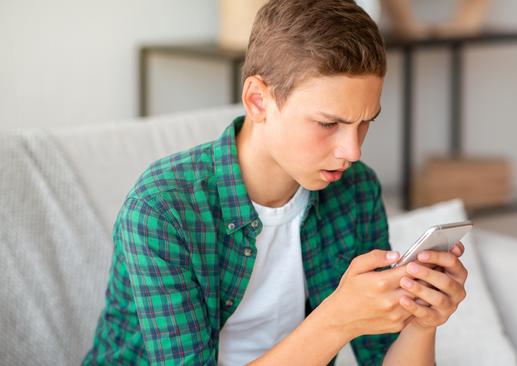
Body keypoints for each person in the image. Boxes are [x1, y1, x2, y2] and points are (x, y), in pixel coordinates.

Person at [83, 0, 468, 364]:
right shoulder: (162, 209)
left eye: (365, 122)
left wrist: (423, 321)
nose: (353, 151)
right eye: (329, 123)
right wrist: (338, 318)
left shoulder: (355, 189)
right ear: (258, 101)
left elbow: (383, 357)